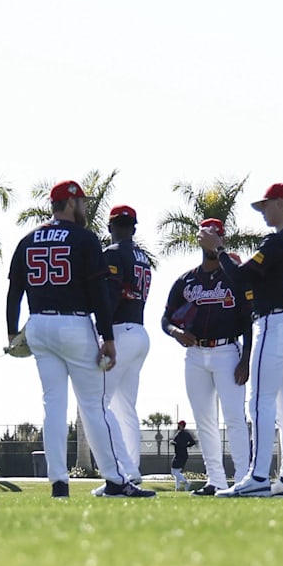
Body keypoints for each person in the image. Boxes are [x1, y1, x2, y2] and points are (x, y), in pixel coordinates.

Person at [6, 180, 153, 498]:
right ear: (70, 203)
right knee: (95, 404)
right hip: (73, 324)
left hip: (38, 324)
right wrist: (108, 336)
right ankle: (116, 479)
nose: (85, 207)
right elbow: (100, 292)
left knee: (53, 405)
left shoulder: (29, 239)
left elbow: (14, 291)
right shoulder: (84, 239)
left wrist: (10, 331)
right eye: (82, 202)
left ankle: (59, 482)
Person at [197, 183, 283, 499]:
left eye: (266, 206)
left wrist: (219, 251)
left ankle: (258, 477)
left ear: (279, 203)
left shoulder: (278, 239)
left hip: (274, 324)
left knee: (259, 401)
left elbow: (243, 277)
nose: (263, 212)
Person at [163, 218, 254, 496]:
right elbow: (165, 319)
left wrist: (246, 358)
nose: (213, 239)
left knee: (234, 417)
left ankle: (241, 479)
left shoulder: (234, 276)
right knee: (204, 420)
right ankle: (216, 480)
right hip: (195, 354)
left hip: (228, 351)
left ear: (223, 239)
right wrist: (176, 332)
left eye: (218, 235)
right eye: (208, 234)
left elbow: (250, 320)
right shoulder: (186, 279)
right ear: (200, 239)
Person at [102, 205, 153, 485]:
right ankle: (132, 470)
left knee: (99, 403)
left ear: (110, 227)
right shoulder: (143, 257)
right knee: (125, 408)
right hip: (139, 331)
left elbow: (109, 296)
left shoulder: (112, 253)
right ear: (133, 227)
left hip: (120, 332)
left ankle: (121, 470)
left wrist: (103, 334)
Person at [169, 420, 195, 491]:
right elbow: (192, 442)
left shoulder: (181, 434)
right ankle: (177, 488)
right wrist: (186, 446)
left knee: (174, 472)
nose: (178, 426)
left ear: (182, 425)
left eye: (179, 425)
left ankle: (186, 482)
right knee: (176, 472)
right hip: (181, 454)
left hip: (180, 455)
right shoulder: (183, 434)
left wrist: (173, 443)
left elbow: (179, 444)